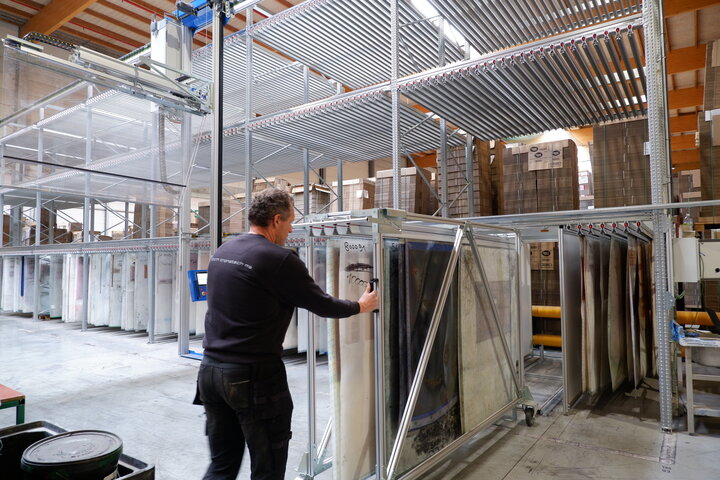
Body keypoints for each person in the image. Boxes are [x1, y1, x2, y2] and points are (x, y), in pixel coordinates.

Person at [195, 188, 378, 480]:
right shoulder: (279, 258)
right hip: (253, 378)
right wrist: (360, 305)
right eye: (291, 221)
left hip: (210, 374)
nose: (292, 228)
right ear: (276, 220)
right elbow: (321, 304)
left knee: (222, 464)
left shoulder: (222, 252)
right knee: (267, 467)